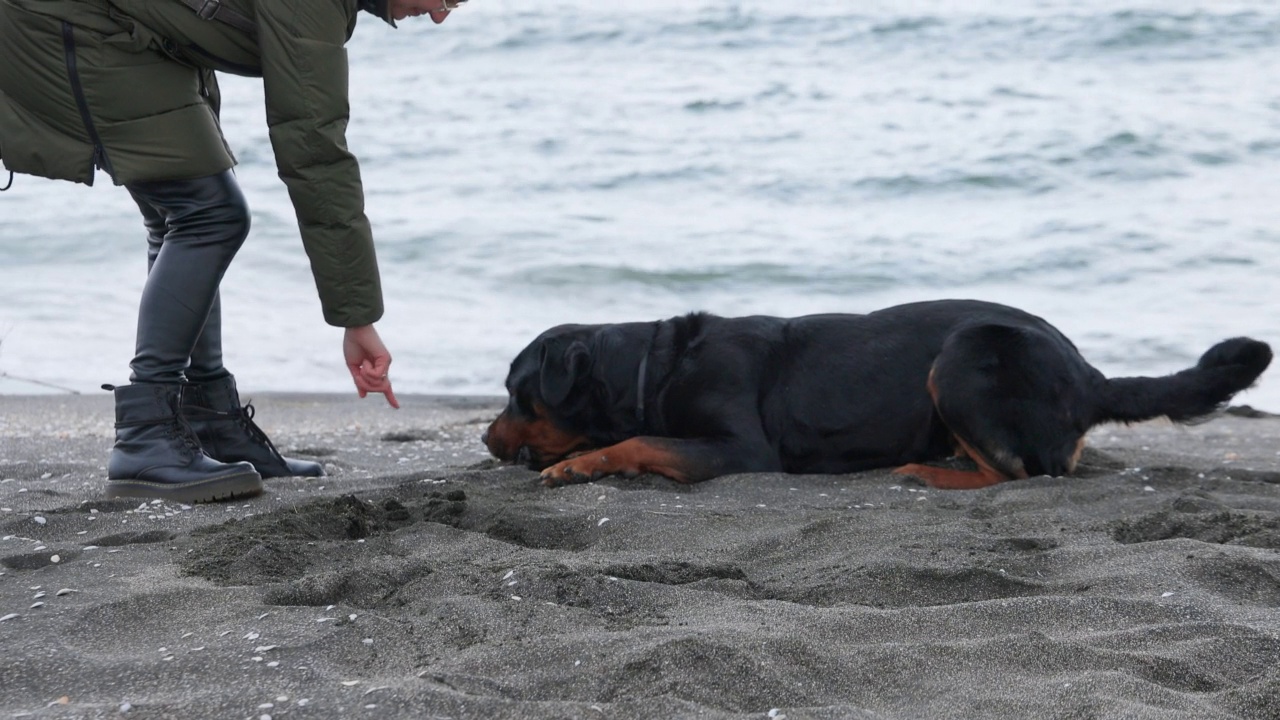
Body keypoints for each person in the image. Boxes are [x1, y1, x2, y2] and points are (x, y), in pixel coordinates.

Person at [0, 0, 459, 502]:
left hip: (124, 28)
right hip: (66, 20)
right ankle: (146, 434)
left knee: (183, 207)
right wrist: (358, 318)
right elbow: (313, 147)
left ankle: (206, 417)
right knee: (209, 213)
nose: (441, 15)